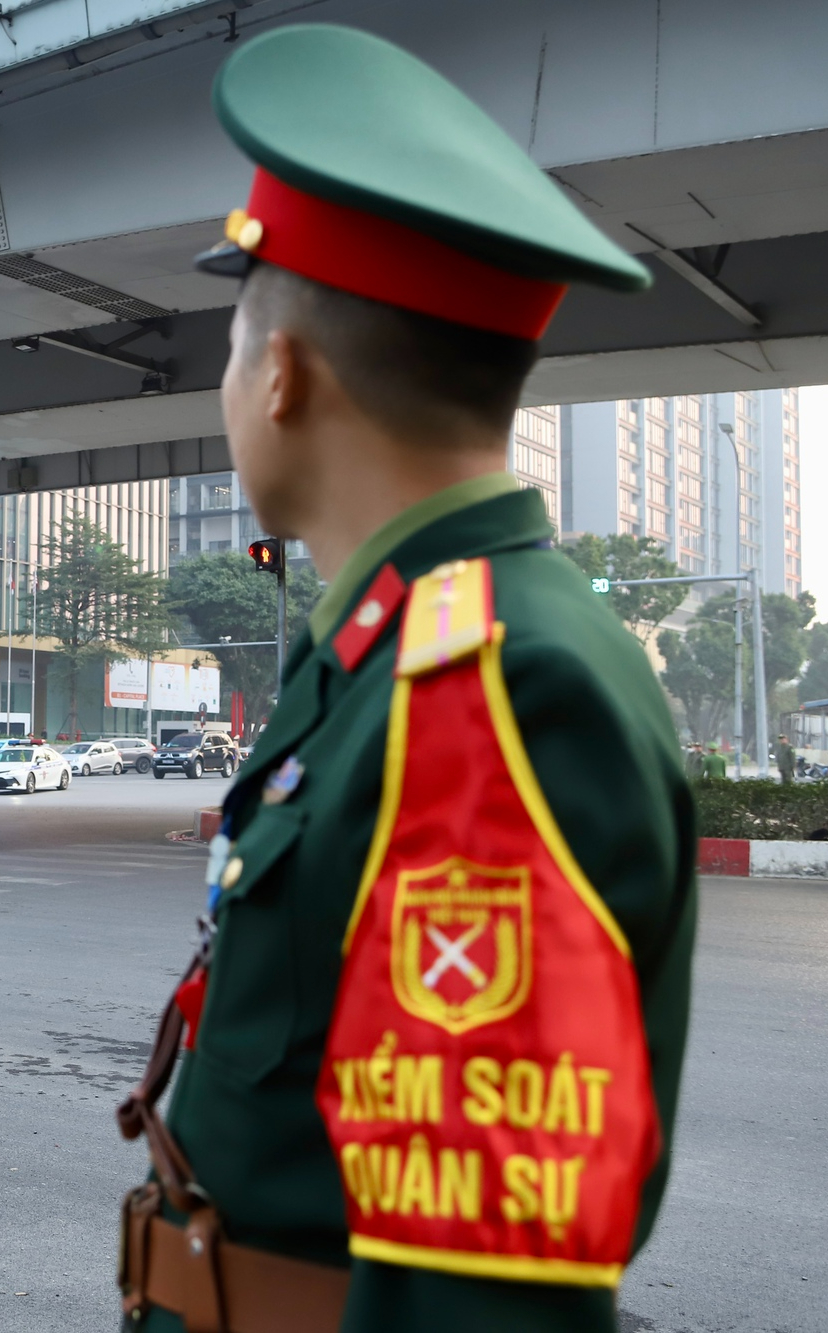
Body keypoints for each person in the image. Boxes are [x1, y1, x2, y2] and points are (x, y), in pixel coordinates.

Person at [114, 26, 693, 1333]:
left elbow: (479, 1285)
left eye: (226, 349)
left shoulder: (490, 690)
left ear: (282, 375)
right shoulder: (383, 653)